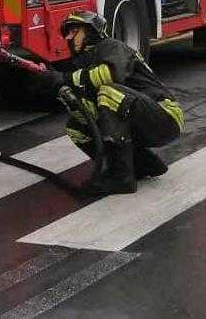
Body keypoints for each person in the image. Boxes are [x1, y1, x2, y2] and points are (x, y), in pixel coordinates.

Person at [47, 10, 185, 195]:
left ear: (91, 30)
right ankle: (142, 164)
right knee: (77, 125)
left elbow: (109, 75)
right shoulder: (86, 61)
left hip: (166, 115)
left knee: (109, 93)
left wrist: (65, 78)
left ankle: (121, 176)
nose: (69, 38)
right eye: (67, 34)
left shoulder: (111, 46)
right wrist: (48, 81)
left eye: (75, 31)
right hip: (144, 118)